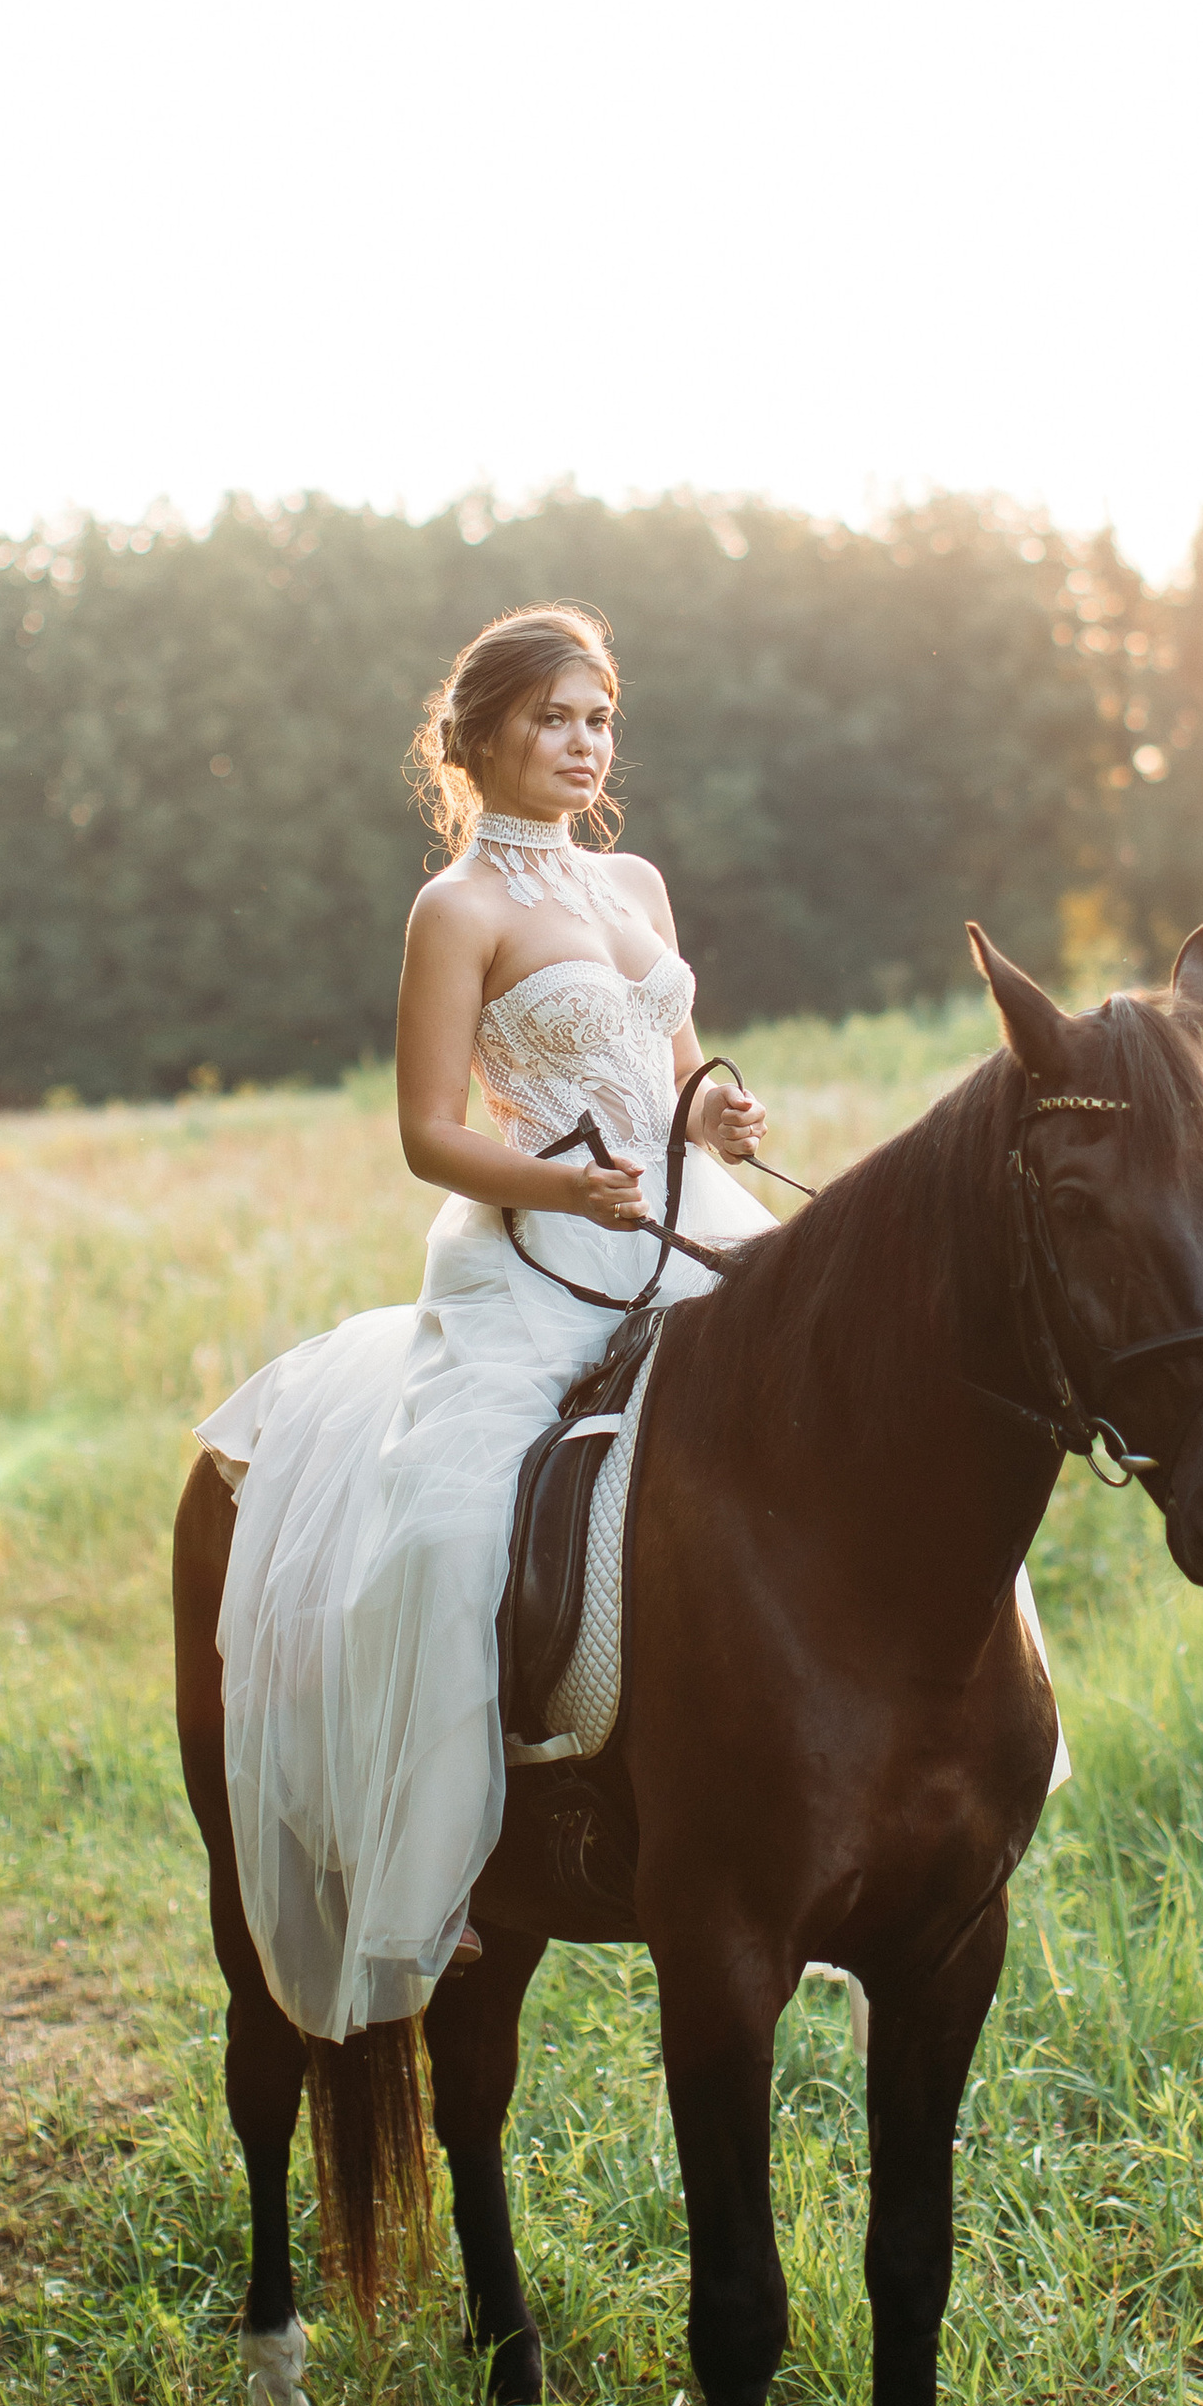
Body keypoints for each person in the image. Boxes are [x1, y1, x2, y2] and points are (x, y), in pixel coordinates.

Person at [199, 605, 775, 2043]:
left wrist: (719, 1110)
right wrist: (559, 1184)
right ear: (483, 738)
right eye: (557, 719)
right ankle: (446, 1864)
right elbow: (426, 1133)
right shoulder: (455, 912)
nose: (586, 745)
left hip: (692, 1225)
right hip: (537, 1252)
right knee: (454, 1527)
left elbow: (681, 1064)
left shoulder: (635, 880)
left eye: (601, 720)